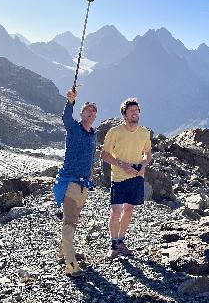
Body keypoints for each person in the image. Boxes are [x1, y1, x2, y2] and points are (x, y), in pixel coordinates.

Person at [53, 88, 97, 277]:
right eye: (88, 110)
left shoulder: (92, 135)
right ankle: (71, 265)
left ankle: (64, 252)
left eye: (94, 111)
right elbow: (65, 118)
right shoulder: (73, 128)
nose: (91, 114)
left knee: (73, 220)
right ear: (81, 113)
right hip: (70, 183)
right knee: (69, 222)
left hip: (83, 185)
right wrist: (70, 101)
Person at [101, 98, 152, 259]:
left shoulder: (144, 132)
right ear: (124, 114)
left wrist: (144, 164)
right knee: (116, 211)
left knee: (129, 210)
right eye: (131, 111)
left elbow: (148, 153)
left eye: (137, 110)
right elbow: (104, 155)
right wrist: (122, 165)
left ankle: (121, 241)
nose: (135, 113)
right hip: (118, 177)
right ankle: (113, 244)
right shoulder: (114, 132)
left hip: (137, 177)